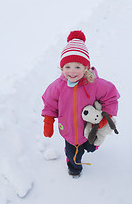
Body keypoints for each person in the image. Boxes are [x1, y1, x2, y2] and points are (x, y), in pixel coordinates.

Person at [41, 30, 120, 177]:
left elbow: (111, 95)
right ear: (61, 68)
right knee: (74, 155)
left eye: (78, 67)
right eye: (67, 67)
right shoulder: (58, 86)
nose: (72, 71)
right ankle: (74, 169)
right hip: (69, 130)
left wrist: (106, 115)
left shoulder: (94, 84)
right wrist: (48, 119)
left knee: (90, 147)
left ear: (85, 68)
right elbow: (50, 103)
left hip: (89, 128)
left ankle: (90, 147)